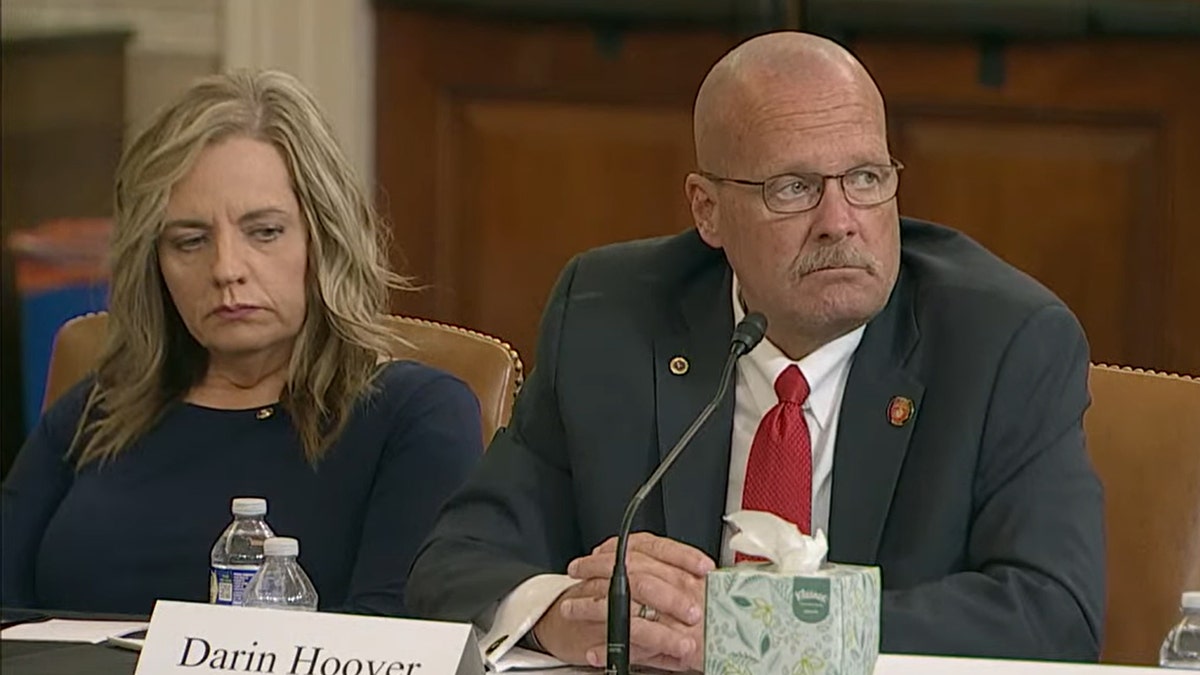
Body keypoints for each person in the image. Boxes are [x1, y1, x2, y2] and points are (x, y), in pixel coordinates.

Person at [407, 31, 1105, 670]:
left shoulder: (1002, 340)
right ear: (707, 210)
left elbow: (1052, 611)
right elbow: (457, 562)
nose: (840, 222)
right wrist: (564, 613)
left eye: (865, 178)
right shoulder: (608, 314)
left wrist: (756, 628)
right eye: (794, 189)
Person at [1, 70, 484, 616]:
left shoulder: (413, 417)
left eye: (265, 232)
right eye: (190, 241)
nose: (226, 269)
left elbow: (392, 645)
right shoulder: (99, 409)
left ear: (324, 238)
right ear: (154, 263)